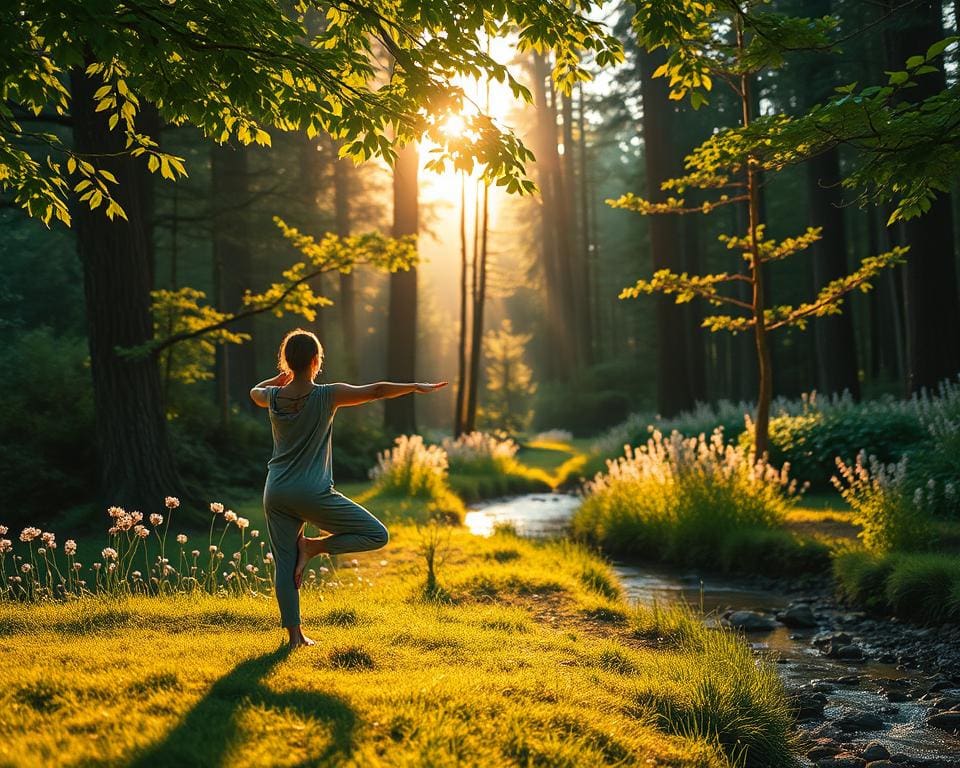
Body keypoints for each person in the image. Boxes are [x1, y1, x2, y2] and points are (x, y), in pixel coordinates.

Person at [250, 328, 446, 649]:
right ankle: (313, 548)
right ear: (316, 361)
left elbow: (253, 390)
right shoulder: (328, 394)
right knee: (376, 534)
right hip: (312, 492)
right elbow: (377, 391)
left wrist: (281, 378)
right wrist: (414, 386)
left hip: (276, 490)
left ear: (287, 362)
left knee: (284, 562)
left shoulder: (271, 397)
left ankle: (295, 638)